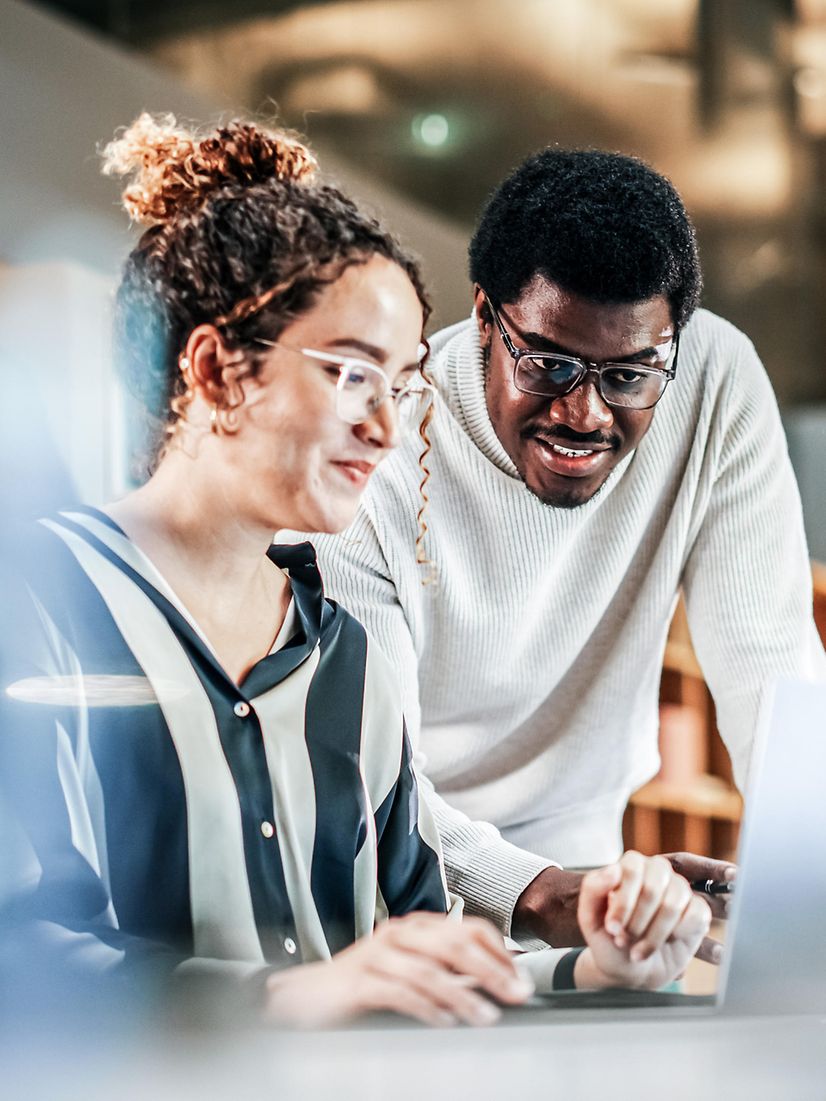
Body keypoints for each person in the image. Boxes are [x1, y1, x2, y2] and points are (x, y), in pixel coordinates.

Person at [0, 119, 712, 1030]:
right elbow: (24, 958)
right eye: (351, 375)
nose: (387, 428)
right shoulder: (36, 604)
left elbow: (422, 958)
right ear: (218, 370)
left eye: (403, 384)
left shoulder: (351, 660)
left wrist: (594, 968)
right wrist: (288, 997)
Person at [298, 148, 826, 951]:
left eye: (629, 375)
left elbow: (773, 667)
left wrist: (804, 882)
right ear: (484, 318)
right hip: (396, 915)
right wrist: (537, 891)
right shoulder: (376, 447)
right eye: (548, 363)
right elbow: (373, 778)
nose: (585, 414)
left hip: (596, 903)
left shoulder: (715, 381)